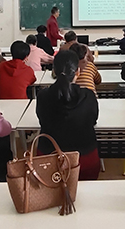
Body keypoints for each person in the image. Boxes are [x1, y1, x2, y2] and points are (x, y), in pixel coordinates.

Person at [36, 50, 100, 180]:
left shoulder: (42, 96)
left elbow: (42, 120)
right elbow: (93, 120)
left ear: (54, 71)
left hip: (49, 160)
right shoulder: (88, 95)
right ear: (78, 71)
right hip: (84, 159)